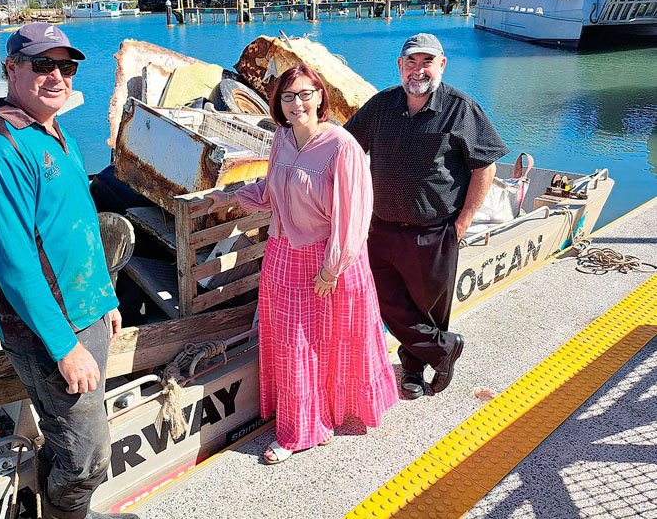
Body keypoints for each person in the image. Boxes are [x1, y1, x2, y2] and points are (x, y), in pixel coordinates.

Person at [0, 23, 137, 519]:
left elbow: (78, 224)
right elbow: (14, 264)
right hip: (47, 332)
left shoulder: (54, 133)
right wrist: (65, 346)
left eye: (66, 66)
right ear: (10, 69)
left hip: (85, 313)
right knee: (87, 458)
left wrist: (106, 298)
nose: (57, 75)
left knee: (77, 443)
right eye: (42, 64)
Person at [205, 65, 398, 464]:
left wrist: (332, 269)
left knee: (318, 343)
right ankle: (313, 421)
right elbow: (272, 190)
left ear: (321, 96)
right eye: (289, 96)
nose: (298, 103)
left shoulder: (342, 146)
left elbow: (354, 216)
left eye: (306, 93)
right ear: (277, 102)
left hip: (328, 259)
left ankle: (301, 432)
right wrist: (228, 198)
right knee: (293, 344)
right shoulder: (282, 138)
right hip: (283, 253)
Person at [344, 33, 508, 400]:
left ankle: (414, 370)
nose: (419, 70)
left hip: (434, 231)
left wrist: (463, 222)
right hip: (381, 228)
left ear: (442, 65)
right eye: (411, 62)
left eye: (427, 62)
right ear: (400, 66)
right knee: (384, 299)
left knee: (428, 307)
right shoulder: (382, 105)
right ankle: (443, 349)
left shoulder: (461, 108)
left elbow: (485, 167)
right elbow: (345, 147)